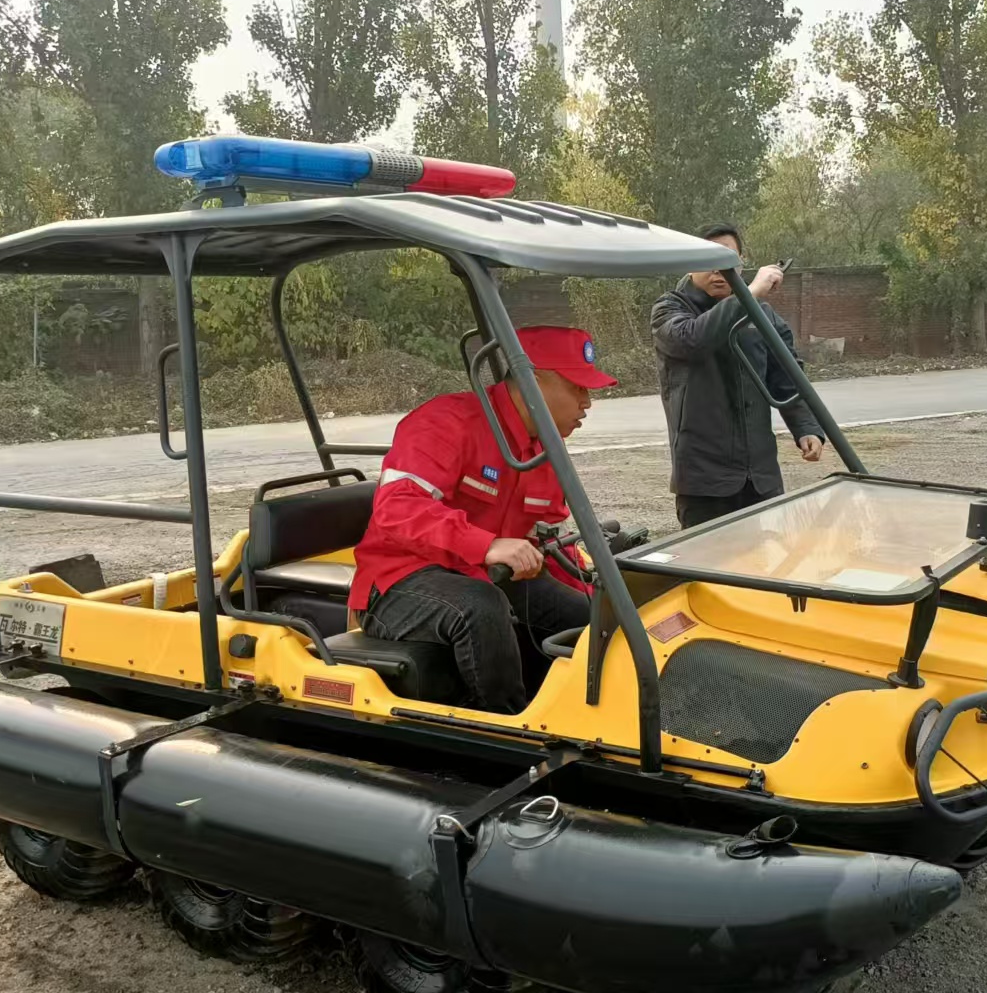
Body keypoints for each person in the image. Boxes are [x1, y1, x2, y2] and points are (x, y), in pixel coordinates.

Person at [350, 325, 616, 715]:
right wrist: (486, 544)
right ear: (531, 382)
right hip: (399, 581)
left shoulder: (543, 450)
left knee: (587, 619)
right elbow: (397, 508)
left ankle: (596, 714)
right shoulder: (446, 422)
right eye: (578, 388)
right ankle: (506, 730)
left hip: (485, 575)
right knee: (481, 606)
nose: (587, 402)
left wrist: (602, 596)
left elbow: (546, 542)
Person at [651, 222, 828, 528]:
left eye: (728, 260)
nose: (719, 270)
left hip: (761, 477)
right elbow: (693, 340)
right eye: (708, 260)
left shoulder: (763, 315)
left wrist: (807, 428)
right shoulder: (670, 309)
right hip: (705, 482)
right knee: (709, 570)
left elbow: (786, 377)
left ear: (741, 262)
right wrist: (751, 294)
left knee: (763, 567)